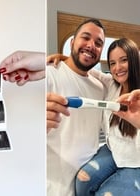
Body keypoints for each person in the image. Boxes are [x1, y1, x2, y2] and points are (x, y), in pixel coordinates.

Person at [46, 18, 107, 196]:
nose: (91, 45)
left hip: (87, 186)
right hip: (51, 187)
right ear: (72, 42)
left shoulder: (101, 87)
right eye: (85, 38)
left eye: (98, 43)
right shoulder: (50, 74)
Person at [74, 38, 140, 195]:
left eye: (124, 60)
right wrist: (65, 59)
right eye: (112, 63)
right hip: (112, 150)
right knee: (82, 179)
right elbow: (90, 71)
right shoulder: (112, 84)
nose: (117, 68)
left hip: (136, 162)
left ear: (135, 60)